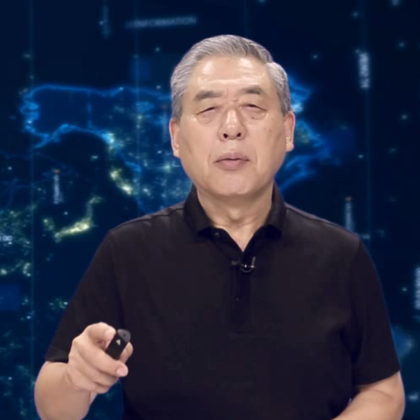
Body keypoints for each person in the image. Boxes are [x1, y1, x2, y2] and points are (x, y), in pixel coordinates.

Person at [34, 35, 405, 420]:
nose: (232, 127)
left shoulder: (341, 254)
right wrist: (77, 377)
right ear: (176, 137)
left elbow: (383, 390)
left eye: (253, 107)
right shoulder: (126, 250)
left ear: (288, 130)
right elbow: (54, 406)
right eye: (209, 108)